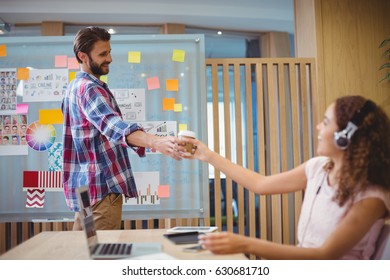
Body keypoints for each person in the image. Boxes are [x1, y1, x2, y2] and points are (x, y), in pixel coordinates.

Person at [182, 95, 390, 259]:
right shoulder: (318, 168)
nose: (318, 127)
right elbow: (260, 184)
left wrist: (245, 244)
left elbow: (325, 255)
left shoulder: (371, 196)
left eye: (325, 123)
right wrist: (207, 155)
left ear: (345, 136)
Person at [62, 26, 185, 231]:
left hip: (86, 190)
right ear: (82, 56)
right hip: (101, 191)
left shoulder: (74, 87)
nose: (109, 58)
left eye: (109, 51)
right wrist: (157, 142)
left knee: (82, 254)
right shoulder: (90, 89)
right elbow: (114, 126)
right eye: (102, 54)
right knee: (99, 258)